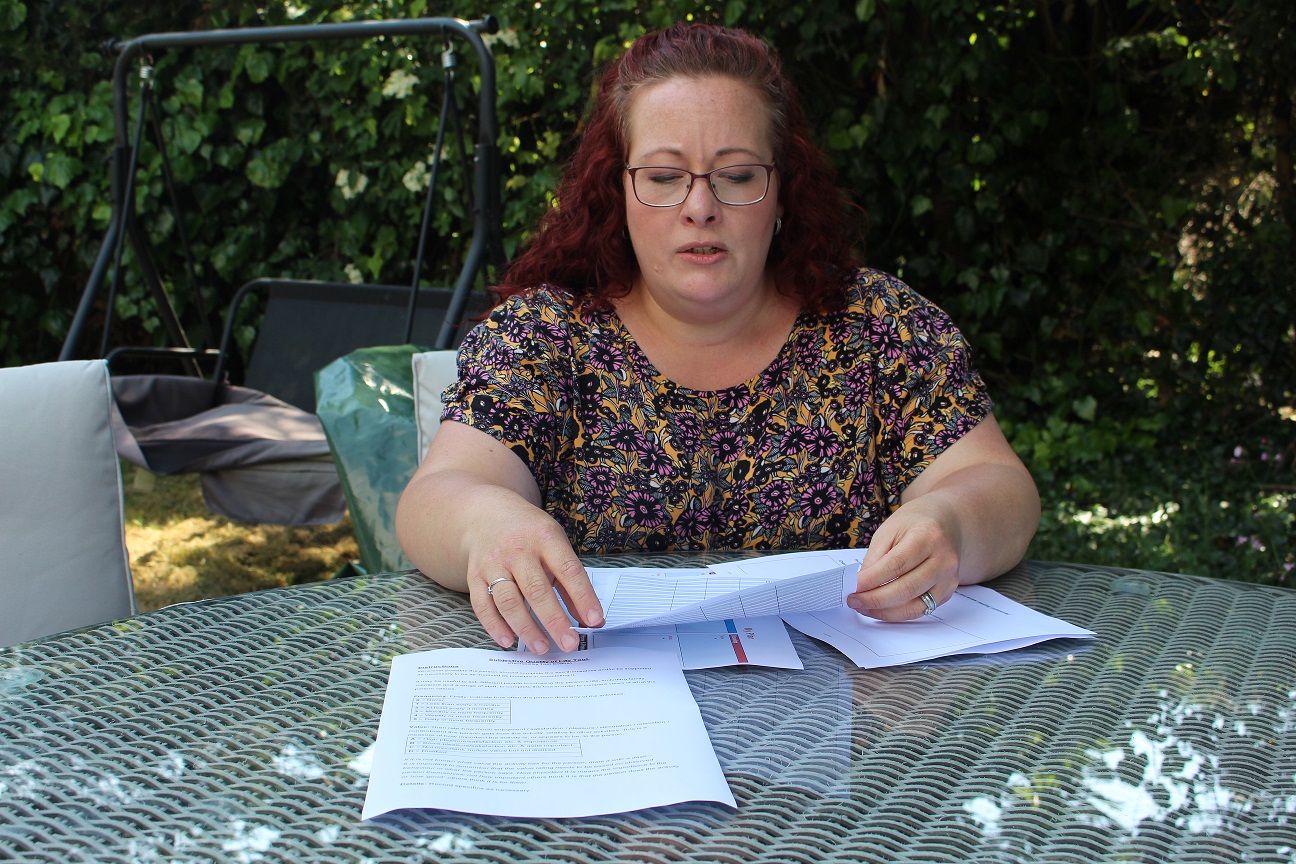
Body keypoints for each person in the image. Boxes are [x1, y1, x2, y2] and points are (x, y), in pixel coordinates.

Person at [396, 22, 1040, 655]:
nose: (699, 206)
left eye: (735, 176)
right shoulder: (545, 336)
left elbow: (997, 486)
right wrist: (485, 524)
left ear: (782, 190)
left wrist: (951, 521)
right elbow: (438, 495)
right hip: (603, 726)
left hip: (845, 728)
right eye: (662, 176)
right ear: (617, 189)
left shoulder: (881, 328)